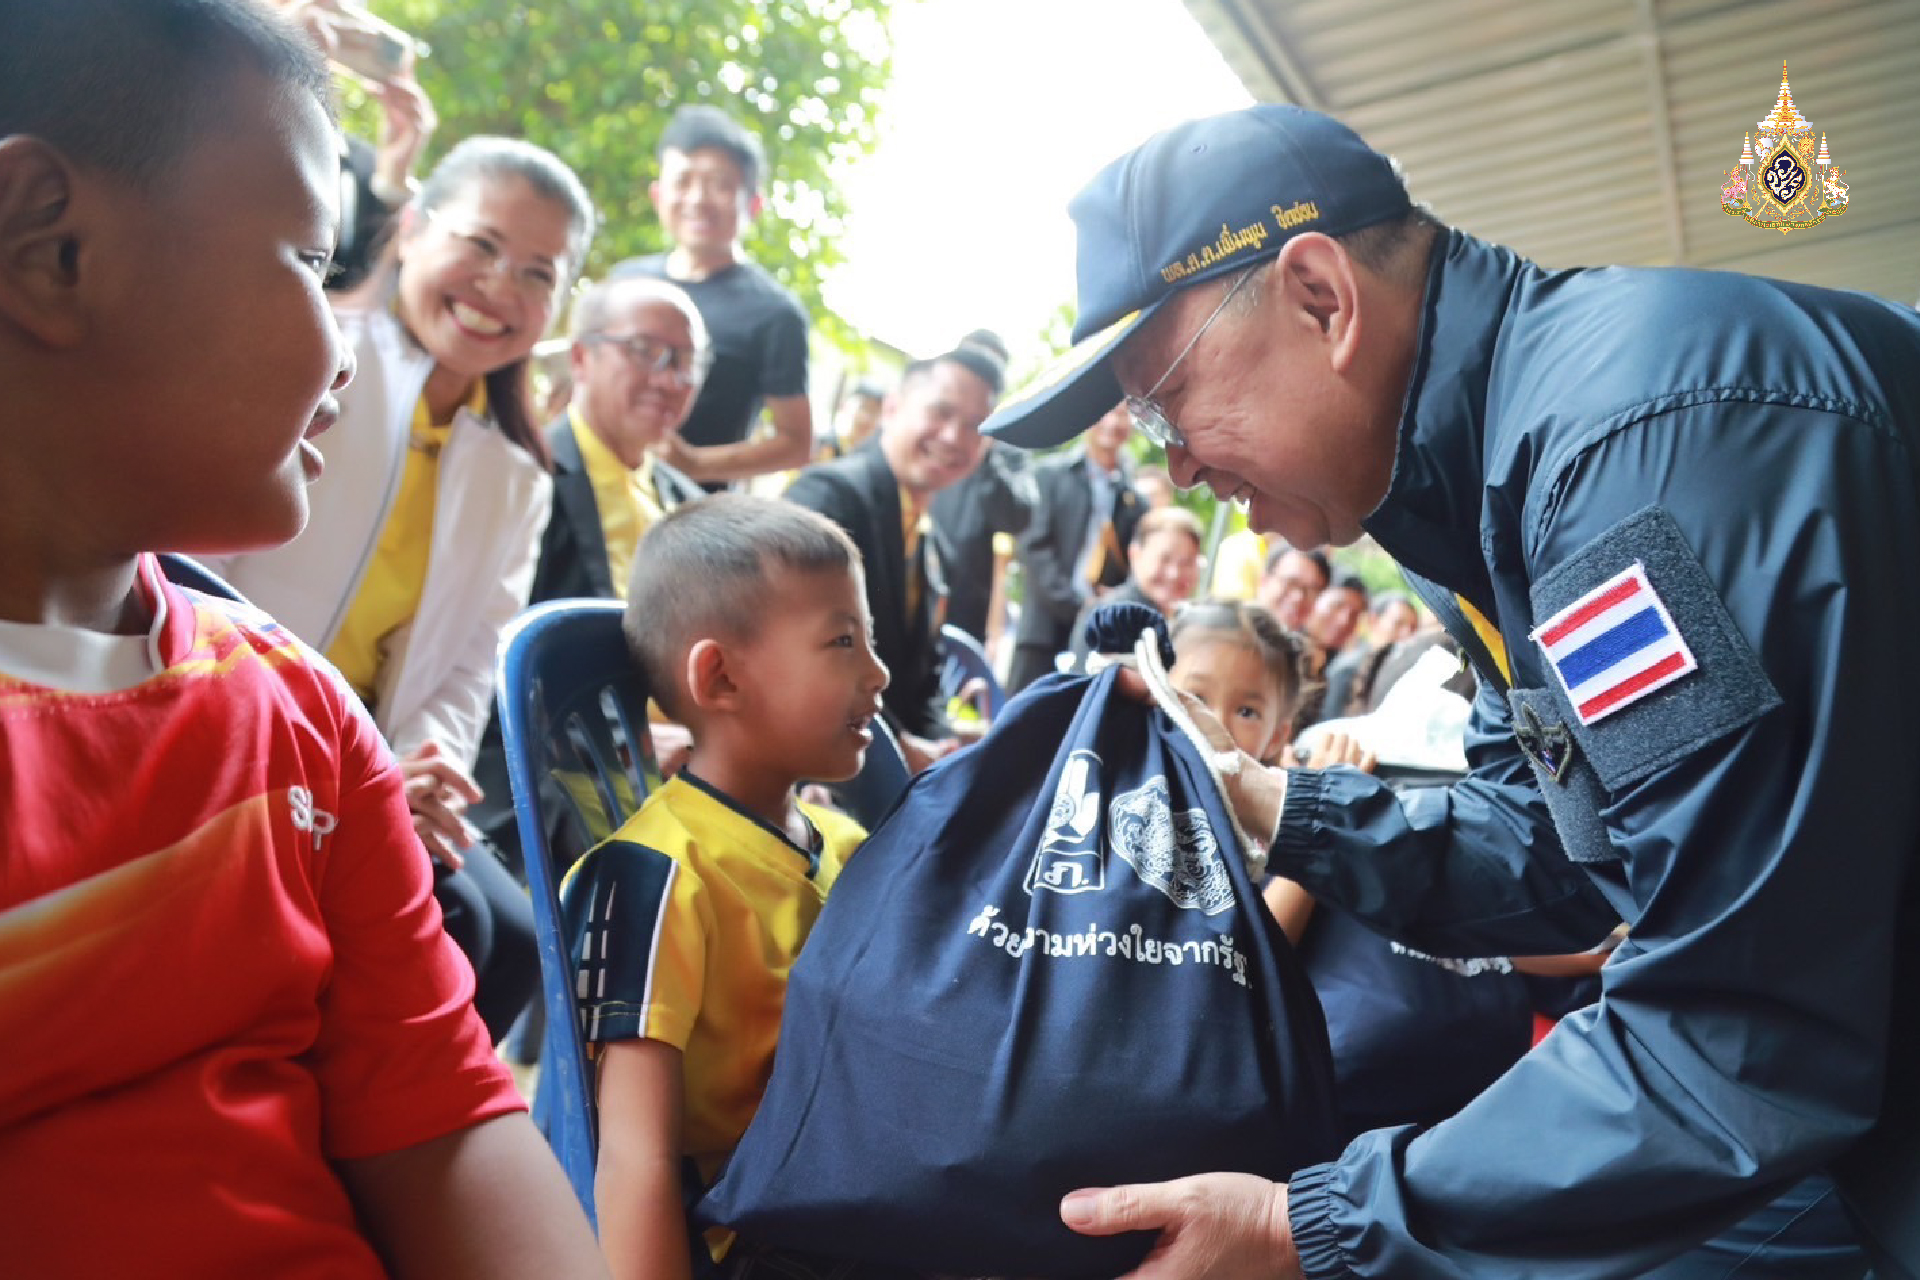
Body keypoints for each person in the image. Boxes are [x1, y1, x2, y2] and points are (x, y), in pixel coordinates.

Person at [982, 103, 1916, 1277]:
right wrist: (1276, 806)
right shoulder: (1477, 499)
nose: (1179, 468)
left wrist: (1309, 1225)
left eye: (1167, 401)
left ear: (1321, 296)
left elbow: (1744, 1033)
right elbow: (1561, 846)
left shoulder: (1629, 454)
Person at [0, 1, 606, 1275]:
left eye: (541, 273)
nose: (340, 335)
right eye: (305, 262)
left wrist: (411, 762)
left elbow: (445, 1116)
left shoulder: (296, 715)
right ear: (49, 251)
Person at [209, 133, 596, 1042]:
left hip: (367, 768)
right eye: (482, 245)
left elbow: (472, 662)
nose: (501, 288)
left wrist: (418, 775)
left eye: (540, 274)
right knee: (451, 931)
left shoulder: (518, 473)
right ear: (414, 229)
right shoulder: (315, 355)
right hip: (235, 732)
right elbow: (194, 573)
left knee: (506, 941)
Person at [560, 494, 886, 1280]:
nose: (877, 673)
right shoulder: (655, 876)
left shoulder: (845, 841)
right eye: (842, 641)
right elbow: (633, 1158)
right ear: (721, 676)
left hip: (854, 1194)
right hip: (746, 1241)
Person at [470, 273, 709, 867]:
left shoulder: (686, 501)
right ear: (581, 356)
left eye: (685, 362)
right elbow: (485, 660)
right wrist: (631, 746)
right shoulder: (529, 477)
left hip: (680, 771)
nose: (669, 378)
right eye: (645, 351)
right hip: (541, 769)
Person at [785, 341, 1002, 773]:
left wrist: (942, 745)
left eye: (976, 426)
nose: (954, 437)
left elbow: (924, 685)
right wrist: (900, 747)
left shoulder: (931, 543)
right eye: (942, 413)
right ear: (893, 408)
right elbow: (806, 658)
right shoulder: (830, 499)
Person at [612, 105, 812, 488]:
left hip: (689, 516)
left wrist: (694, 463)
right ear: (658, 195)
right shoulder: (625, 281)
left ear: (753, 205)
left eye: (720, 184)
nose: (698, 199)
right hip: (593, 487)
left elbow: (796, 443)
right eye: (683, 181)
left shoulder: (774, 313)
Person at [1009, 401, 1146, 692]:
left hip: (1096, 638)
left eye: (1123, 414)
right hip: (1042, 627)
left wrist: (1102, 607)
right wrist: (1074, 603)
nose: (1112, 422)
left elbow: (1133, 564)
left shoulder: (1134, 499)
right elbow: (1032, 545)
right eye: (1104, 412)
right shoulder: (1049, 475)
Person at [1066, 505, 1203, 672]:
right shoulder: (1113, 616)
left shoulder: (1184, 622)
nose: (1174, 573)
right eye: (1164, 559)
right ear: (1135, 554)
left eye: (1186, 562)